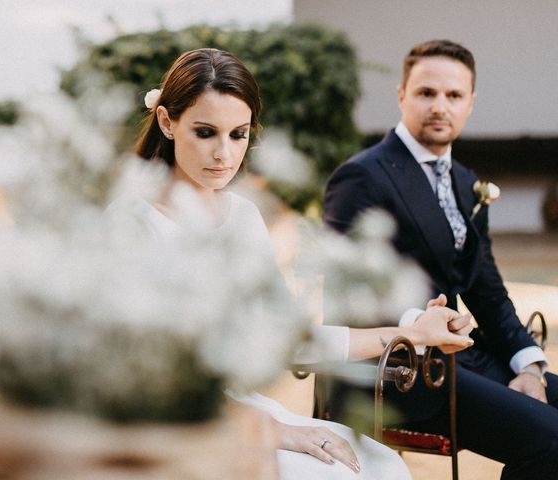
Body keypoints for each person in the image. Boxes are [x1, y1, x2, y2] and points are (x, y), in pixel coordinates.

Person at [130, 47, 474, 479]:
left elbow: (287, 338)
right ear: (167, 122)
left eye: (238, 134)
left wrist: (410, 332)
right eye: (205, 132)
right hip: (162, 423)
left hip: (239, 408)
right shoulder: (132, 223)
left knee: (382, 467)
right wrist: (270, 430)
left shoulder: (242, 216)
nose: (224, 153)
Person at [323, 39, 558, 479]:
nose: (439, 106)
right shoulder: (362, 177)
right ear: (401, 95)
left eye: (453, 95)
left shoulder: (467, 182)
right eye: (426, 93)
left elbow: (486, 289)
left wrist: (529, 365)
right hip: (395, 371)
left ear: (470, 103)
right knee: (551, 440)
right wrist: (421, 325)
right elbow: (350, 291)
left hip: (460, 361)